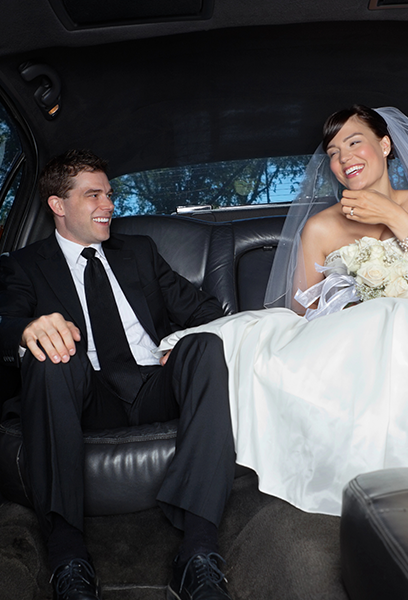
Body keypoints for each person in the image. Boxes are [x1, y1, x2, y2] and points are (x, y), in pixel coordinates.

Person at [155, 106, 408, 517]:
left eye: (355, 143)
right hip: (355, 341)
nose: (343, 159)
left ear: (385, 145)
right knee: (296, 334)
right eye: (333, 152)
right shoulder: (320, 227)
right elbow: (306, 314)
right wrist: (354, 305)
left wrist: (393, 215)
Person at [0, 150, 235, 600]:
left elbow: (206, 313)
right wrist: (28, 328)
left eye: (109, 194)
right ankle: (68, 556)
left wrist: (172, 346)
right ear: (58, 204)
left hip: (152, 385)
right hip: (83, 394)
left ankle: (199, 553)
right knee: (54, 353)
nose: (109, 204)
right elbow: (4, 323)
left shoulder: (140, 252)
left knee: (205, 346)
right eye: (93, 195)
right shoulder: (26, 265)